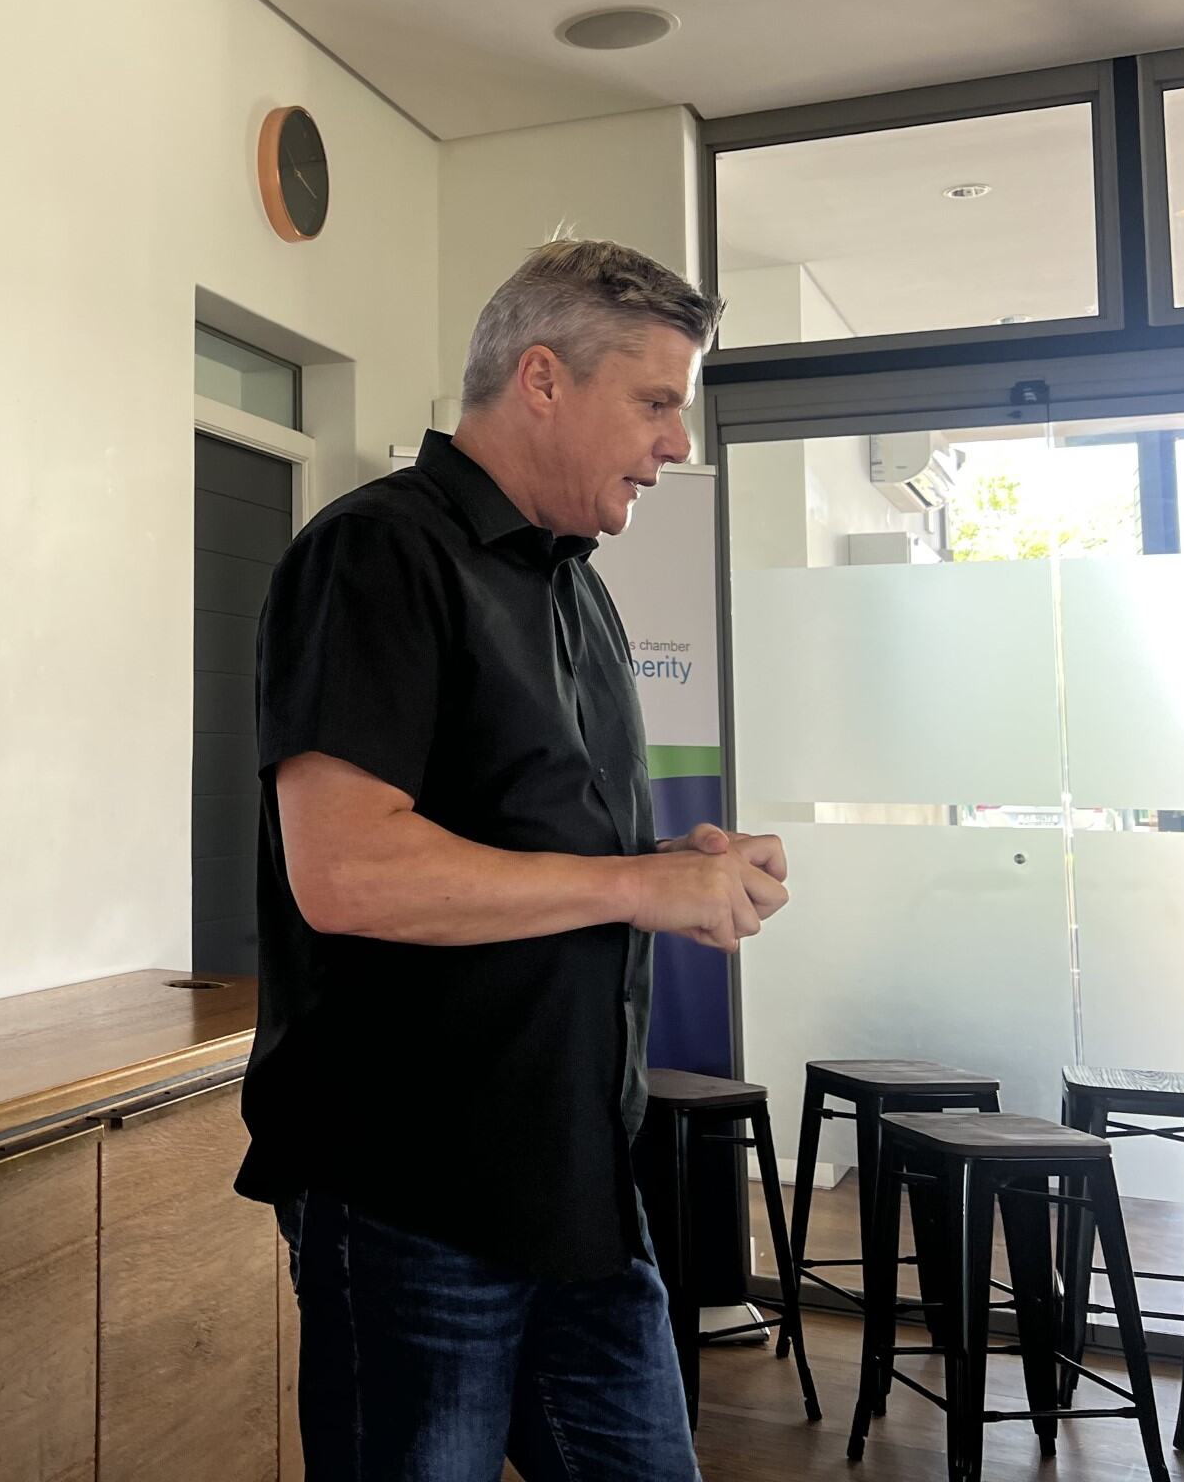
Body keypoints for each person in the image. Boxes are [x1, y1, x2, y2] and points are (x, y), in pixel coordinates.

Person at [235, 238, 791, 1482]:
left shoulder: (574, 586)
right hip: (412, 1198)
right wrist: (637, 885)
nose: (675, 444)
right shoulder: (374, 552)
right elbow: (348, 873)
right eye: (654, 403)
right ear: (542, 379)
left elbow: (522, 851)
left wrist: (672, 864)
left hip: (581, 1185)